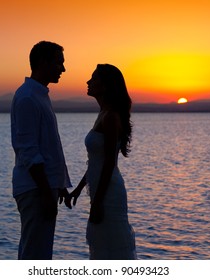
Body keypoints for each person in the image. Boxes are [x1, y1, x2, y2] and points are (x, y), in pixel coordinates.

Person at [10, 41, 72, 260]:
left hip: (43, 187)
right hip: (35, 189)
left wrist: (60, 183)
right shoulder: (27, 97)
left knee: (40, 252)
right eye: (59, 63)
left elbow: (49, 146)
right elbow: (28, 150)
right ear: (43, 62)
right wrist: (47, 191)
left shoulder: (39, 95)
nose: (63, 69)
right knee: (34, 254)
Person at [70, 64, 137, 259]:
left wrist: (98, 202)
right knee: (101, 245)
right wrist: (80, 188)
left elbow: (109, 163)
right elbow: (95, 161)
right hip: (101, 190)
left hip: (108, 193)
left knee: (110, 246)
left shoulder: (110, 117)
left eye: (93, 78)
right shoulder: (103, 114)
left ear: (106, 85)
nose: (88, 82)